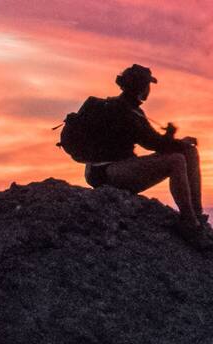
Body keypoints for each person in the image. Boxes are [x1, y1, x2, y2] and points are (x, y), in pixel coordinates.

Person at [75, 64, 204, 228]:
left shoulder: (123, 107)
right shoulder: (125, 112)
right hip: (107, 173)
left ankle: (197, 214)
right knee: (177, 160)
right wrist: (176, 140)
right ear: (141, 87)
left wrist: (173, 140)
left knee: (188, 152)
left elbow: (155, 142)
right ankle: (190, 222)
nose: (149, 89)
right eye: (148, 85)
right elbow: (154, 143)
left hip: (101, 170)